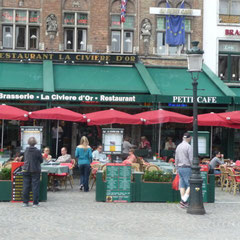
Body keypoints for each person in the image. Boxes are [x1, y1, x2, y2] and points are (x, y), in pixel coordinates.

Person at [22, 137, 43, 207]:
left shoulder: (26, 150)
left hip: (26, 169)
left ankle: (25, 202)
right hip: (35, 169)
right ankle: (35, 203)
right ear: (35, 143)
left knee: (26, 186)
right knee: (35, 186)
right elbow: (41, 160)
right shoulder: (37, 151)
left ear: (28, 142)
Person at [175, 132, 193, 209]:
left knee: (182, 185)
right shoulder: (189, 147)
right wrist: (193, 167)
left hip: (180, 167)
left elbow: (176, 158)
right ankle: (184, 200)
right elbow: (191, 159)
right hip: (187, 167)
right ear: (189, 138)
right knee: (191, 184)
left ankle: (184, 202)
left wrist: (176, 168)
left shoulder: (178, 146)